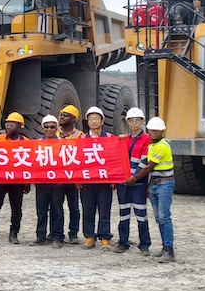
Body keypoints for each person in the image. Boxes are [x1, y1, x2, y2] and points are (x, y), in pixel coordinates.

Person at [125, 117, 175, 263]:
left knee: (164, 217)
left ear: (162, 131)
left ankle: (169, 249)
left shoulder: (161, 146)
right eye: (151, 130)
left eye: (156, 131)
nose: (153, 133)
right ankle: (165, 248)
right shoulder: (153, 145)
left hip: (164, 184)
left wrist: (134, 179)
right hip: (155, 183)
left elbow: (148, 167)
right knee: (159, 218)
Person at [0, 112, 30, 244]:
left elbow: (30, 164)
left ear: (20, 126)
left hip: (17, 181)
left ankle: (14, 233)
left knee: (16, 208)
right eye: (7, 124)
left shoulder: (27, 143)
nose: (8, 127)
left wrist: (27, 182)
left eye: (12, 125)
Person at [114, 107, 152, 255]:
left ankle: (144, 244)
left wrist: (134, 177)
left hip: (138, 183)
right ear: (127, 122)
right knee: (123, 213)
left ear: (142, 122)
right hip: (123, 183)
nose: (134, 123)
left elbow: (145, 161)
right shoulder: (124, 139)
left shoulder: (147, 139)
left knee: (141, 214)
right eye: (131, 121)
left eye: (137, 120)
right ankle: (123, 242)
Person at [79, 106, 114, 251]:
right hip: (87, 181)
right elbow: (77, 160)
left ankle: (105, 237)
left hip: (104, 181)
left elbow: (114, 159)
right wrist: (77, 178)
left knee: (104, 210)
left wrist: (114, 178)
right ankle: (89, 237)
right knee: (88, 209)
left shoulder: (110, 138)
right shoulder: (81, 139)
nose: (94, 121)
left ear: (102, 121)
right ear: (87, 122)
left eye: (96, 119)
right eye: (91, 119)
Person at [30, 115, 65, 248]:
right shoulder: (37, 143)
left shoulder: (63, 143)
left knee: (57, 209)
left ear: (57, 128)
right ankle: (41, 235)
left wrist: (62, 178)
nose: (49, 129)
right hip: (42, 182)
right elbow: (33, 162)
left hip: (57, 182)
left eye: (52, 127)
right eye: (46, 127)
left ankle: (57, 236)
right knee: (41, 209)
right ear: (42, 128)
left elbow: (67, 162)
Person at [58, 104, 84, 244]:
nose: (62, 117)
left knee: (74, 207)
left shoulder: (80, 136)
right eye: (61, 115)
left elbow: (82, 158)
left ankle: (73, 233)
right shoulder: (54, 133)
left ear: (74, 119)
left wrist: (78, 177)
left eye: (66, 115)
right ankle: (58, 233)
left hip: (72, 178)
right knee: (57, 207)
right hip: (57, 177)